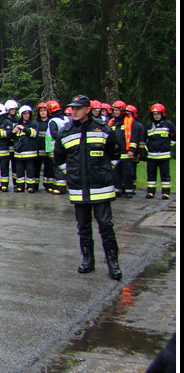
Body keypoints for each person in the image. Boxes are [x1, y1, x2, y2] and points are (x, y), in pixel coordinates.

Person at [53, 95, 122, 280]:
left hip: (101, 188)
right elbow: (58, 159)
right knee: (83, 227)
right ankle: (87, 260)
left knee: (106, 226)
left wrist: (104, 171)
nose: (74, 111)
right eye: (72, 108)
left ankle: (113, 263)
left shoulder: (102, 128)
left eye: (78, 108)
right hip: (78, 189)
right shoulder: (65, 132)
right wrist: (73, 174)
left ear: (87, 109)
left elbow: (115, 153)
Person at [144, 103, 175, 199]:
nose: (156, 116)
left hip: (164, 156)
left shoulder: (168, 124)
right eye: (154, 114)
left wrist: (166, 147)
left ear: (162, 114)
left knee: (165, 175)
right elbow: (144, 139)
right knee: (151, 175)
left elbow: (174, 138)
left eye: (158, 113)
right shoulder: (149, 125)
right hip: (151, 156)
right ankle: (150, 192)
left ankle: (166, 192)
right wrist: (147, 150)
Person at [11, 104, 40, 193]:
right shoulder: (17, 125)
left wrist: (23, 128)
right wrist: (13, 132)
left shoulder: (33, 124)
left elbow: (34, 134)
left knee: (30, 171)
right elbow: (12, 138)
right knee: (19, 171)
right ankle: (20, 186)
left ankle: (31, 187)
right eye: (25, 114)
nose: (27, 116)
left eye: (28, 114)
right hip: (19, 154)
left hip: (30, 153)